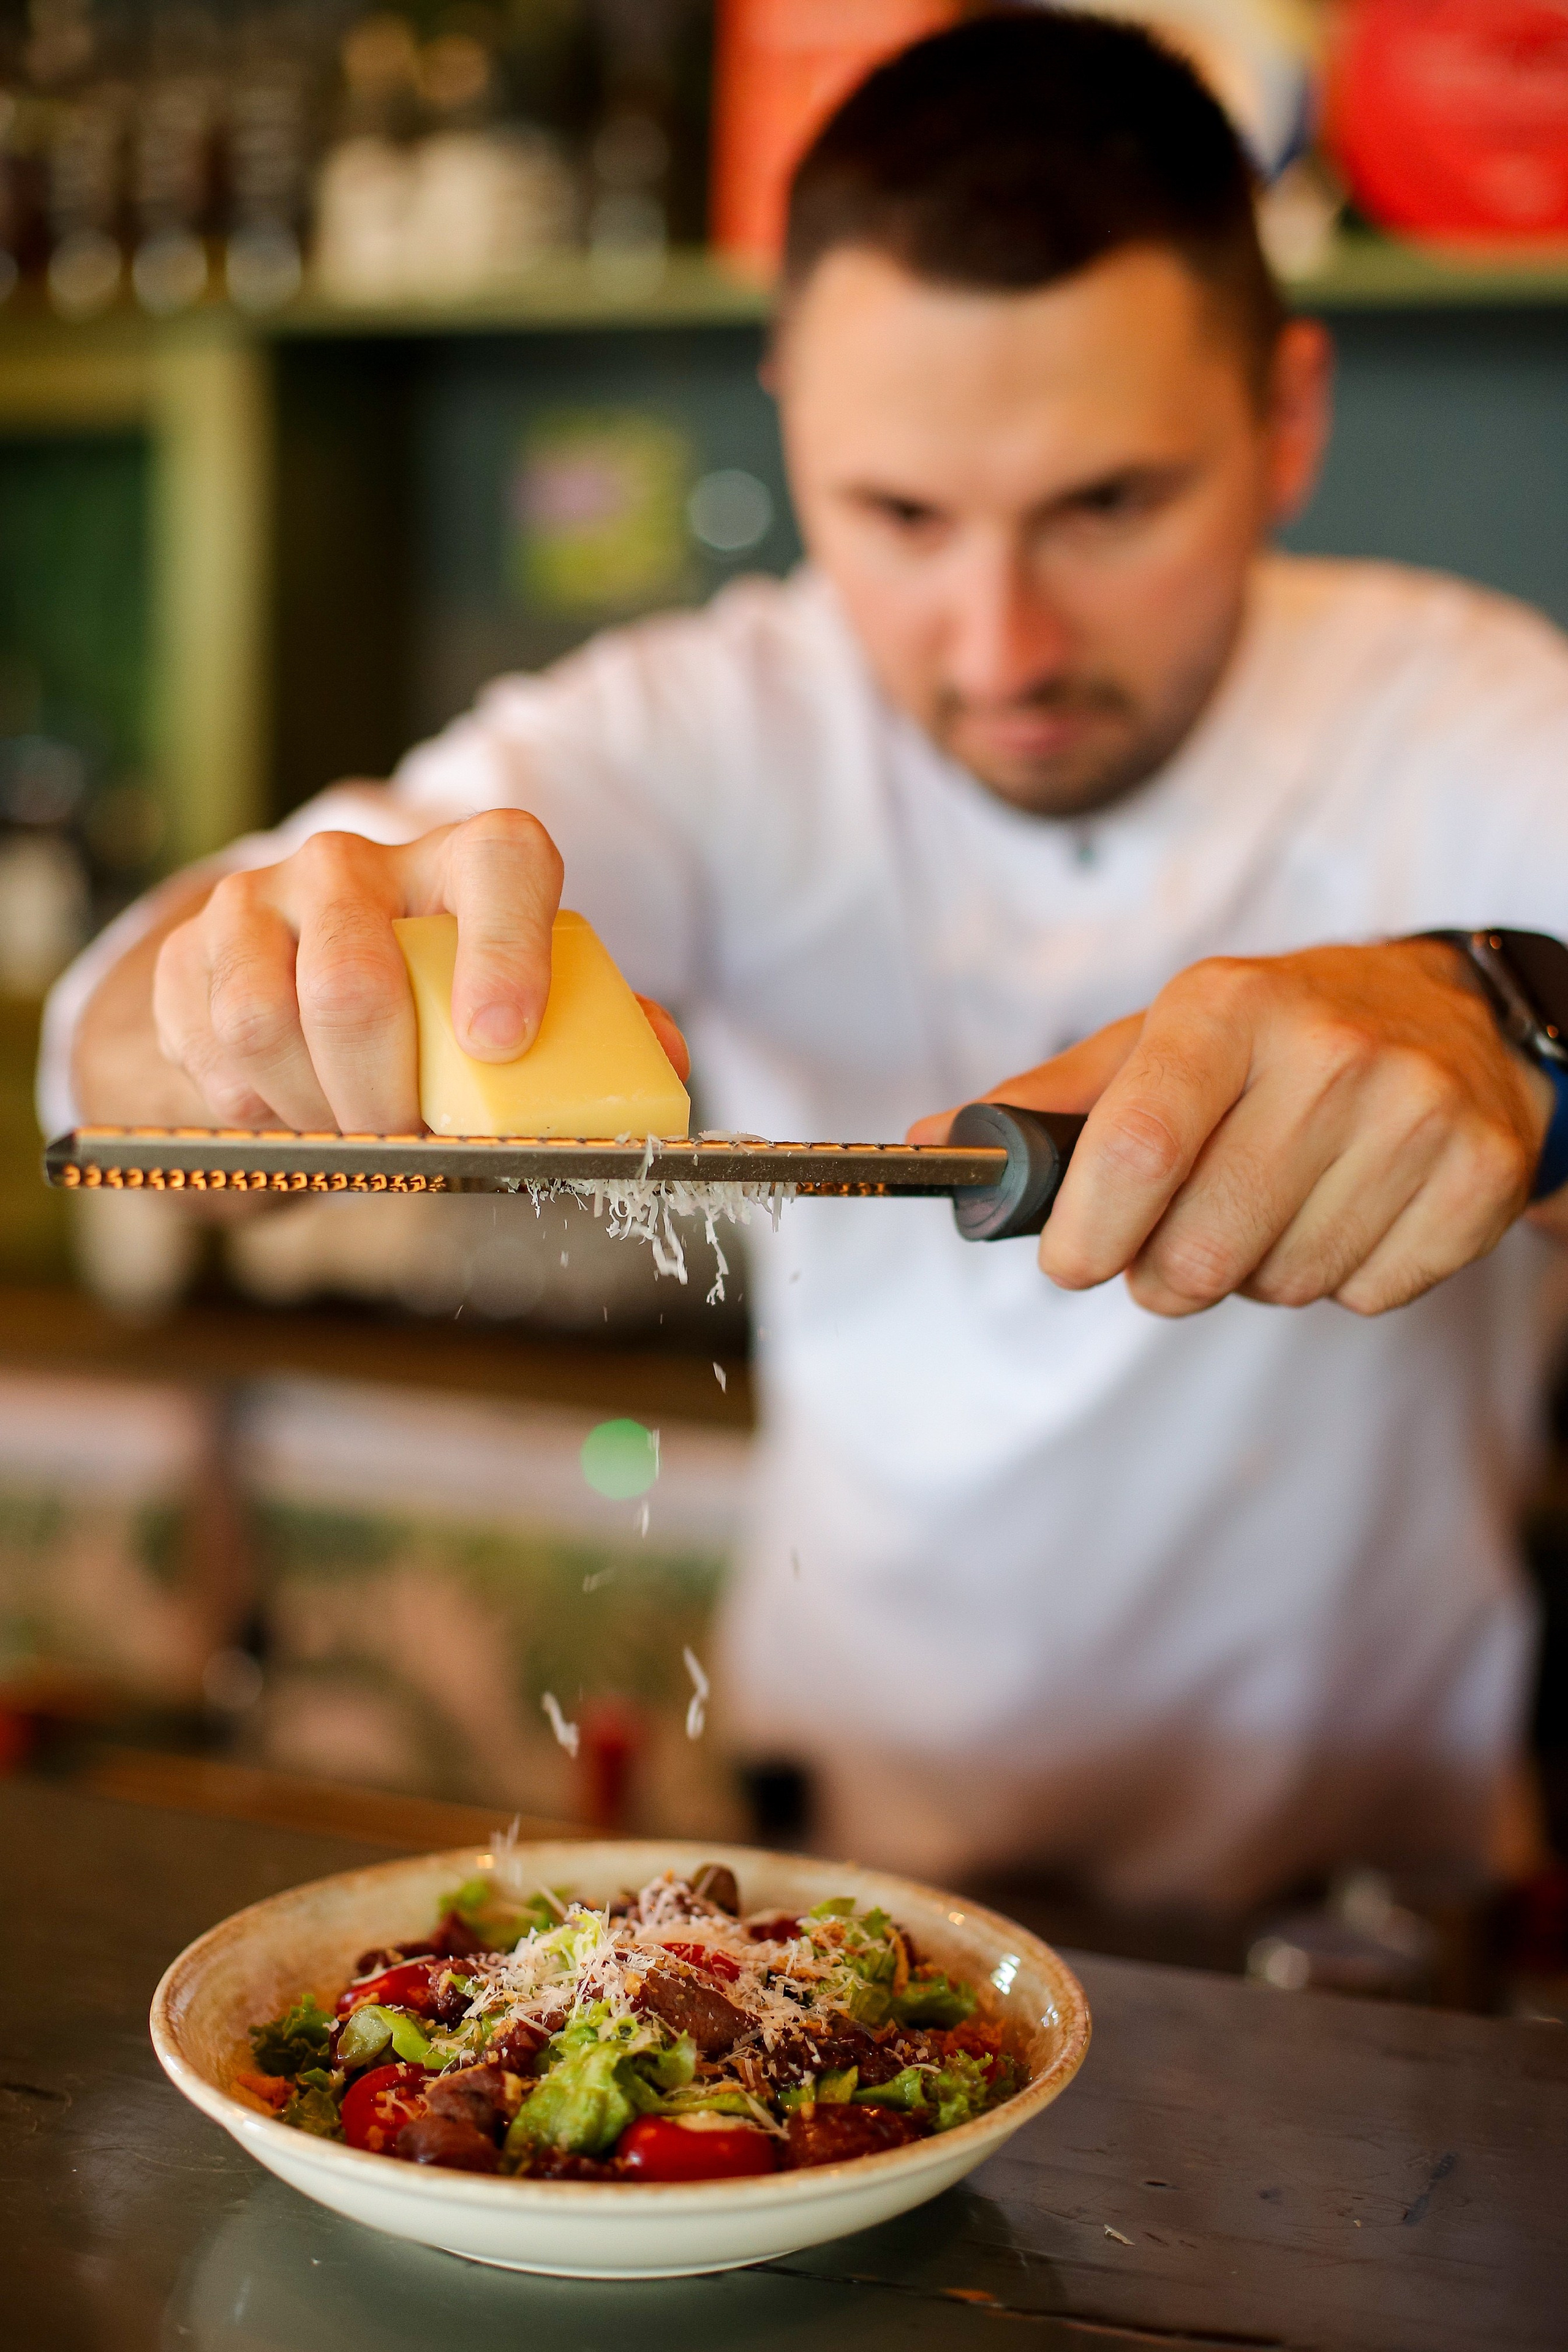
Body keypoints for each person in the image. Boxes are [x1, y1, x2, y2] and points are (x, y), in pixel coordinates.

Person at [42, 10, 1568, 1913]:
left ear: (1288, 420)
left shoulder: (1483, 718)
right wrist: (247, 1002)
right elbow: (116, 1048)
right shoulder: (713, 726)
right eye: (899, 516)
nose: (1001, 645)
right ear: (795, 422)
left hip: (1380, 1899)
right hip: (845, 1857)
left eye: (1109, 506)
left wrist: (1518, 1028)